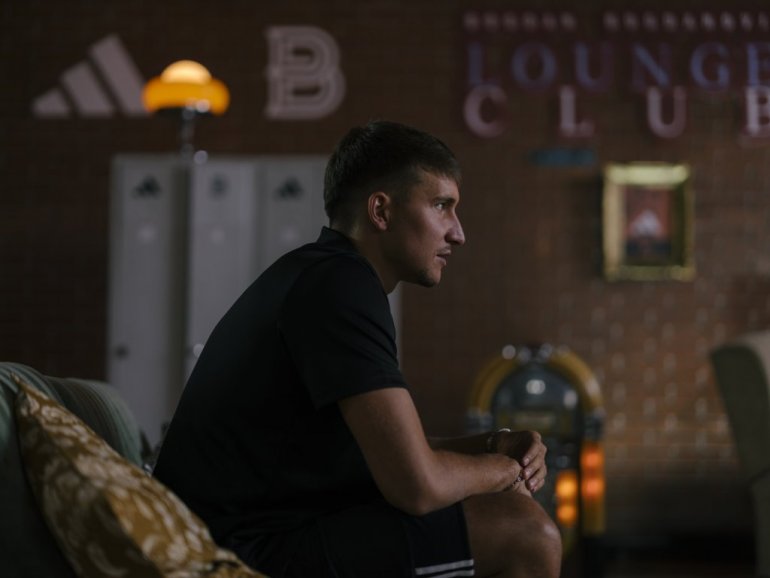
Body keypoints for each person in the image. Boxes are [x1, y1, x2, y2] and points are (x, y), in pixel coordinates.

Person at [153, 120, 562, 578]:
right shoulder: (340, 287)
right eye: (441, 206)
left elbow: (392, 455)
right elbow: (417, 485)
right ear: (381, 211)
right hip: (233, 552)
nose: (458, 233)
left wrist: (495, 444)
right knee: (526, 532)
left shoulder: (323, 273)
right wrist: (505, 472)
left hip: (247, 531)